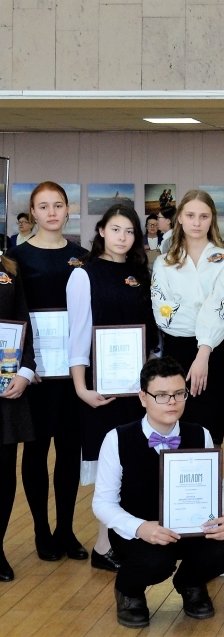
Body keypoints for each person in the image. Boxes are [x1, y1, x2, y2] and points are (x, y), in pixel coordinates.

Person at [91, 357, 224, 628]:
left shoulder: (201, 434)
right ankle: (129, 591)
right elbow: (102, 503)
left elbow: (213, 491)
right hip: (138, 532)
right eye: (161, 395)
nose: (172, 402)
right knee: (156, 561)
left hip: (189, 527)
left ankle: (191, 583)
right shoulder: (117, 438)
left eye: (178, 394)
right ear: (143, 397)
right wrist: (140, 528)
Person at [67, 205, 159, 571]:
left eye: (130, 232)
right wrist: (80, 388)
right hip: (101, 390)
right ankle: (104, 547)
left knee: (134, 462)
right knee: (110, 466)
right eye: (115, 229)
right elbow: (78, 335)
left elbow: (152, 334)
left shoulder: (141, 273)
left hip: (138, 388)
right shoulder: (83, 275)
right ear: (102, 231)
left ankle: (113, 544)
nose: (122, 237)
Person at [7, 182, 88, 563]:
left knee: (70, 451)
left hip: (72, 372)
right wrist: (20, 363)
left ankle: (66, 529)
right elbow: (9, 313)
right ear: (33, 213)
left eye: (58, 205)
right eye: (44, 206)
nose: (52, 212)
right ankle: (41, 528)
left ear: (68, 210)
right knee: (36, 451)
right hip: (34, 372)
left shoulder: (82, 256)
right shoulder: (14, 257)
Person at [151, 190, 224, 446]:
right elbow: (164, 315)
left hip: (215, 355)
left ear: (212, 219)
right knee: (174, 434)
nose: (197, 222)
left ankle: (210, 486)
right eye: (190, 215)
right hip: (176, 352)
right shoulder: (163, 263)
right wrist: (206, 315)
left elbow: (223, 308)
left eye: (204, 216)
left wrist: (204, 351)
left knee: (211, 436)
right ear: (179, 218)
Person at [0, 249, 37, 581]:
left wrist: (25, 371)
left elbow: (23, 321)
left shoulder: (8, 267)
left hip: (6, 387)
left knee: (2, 474)